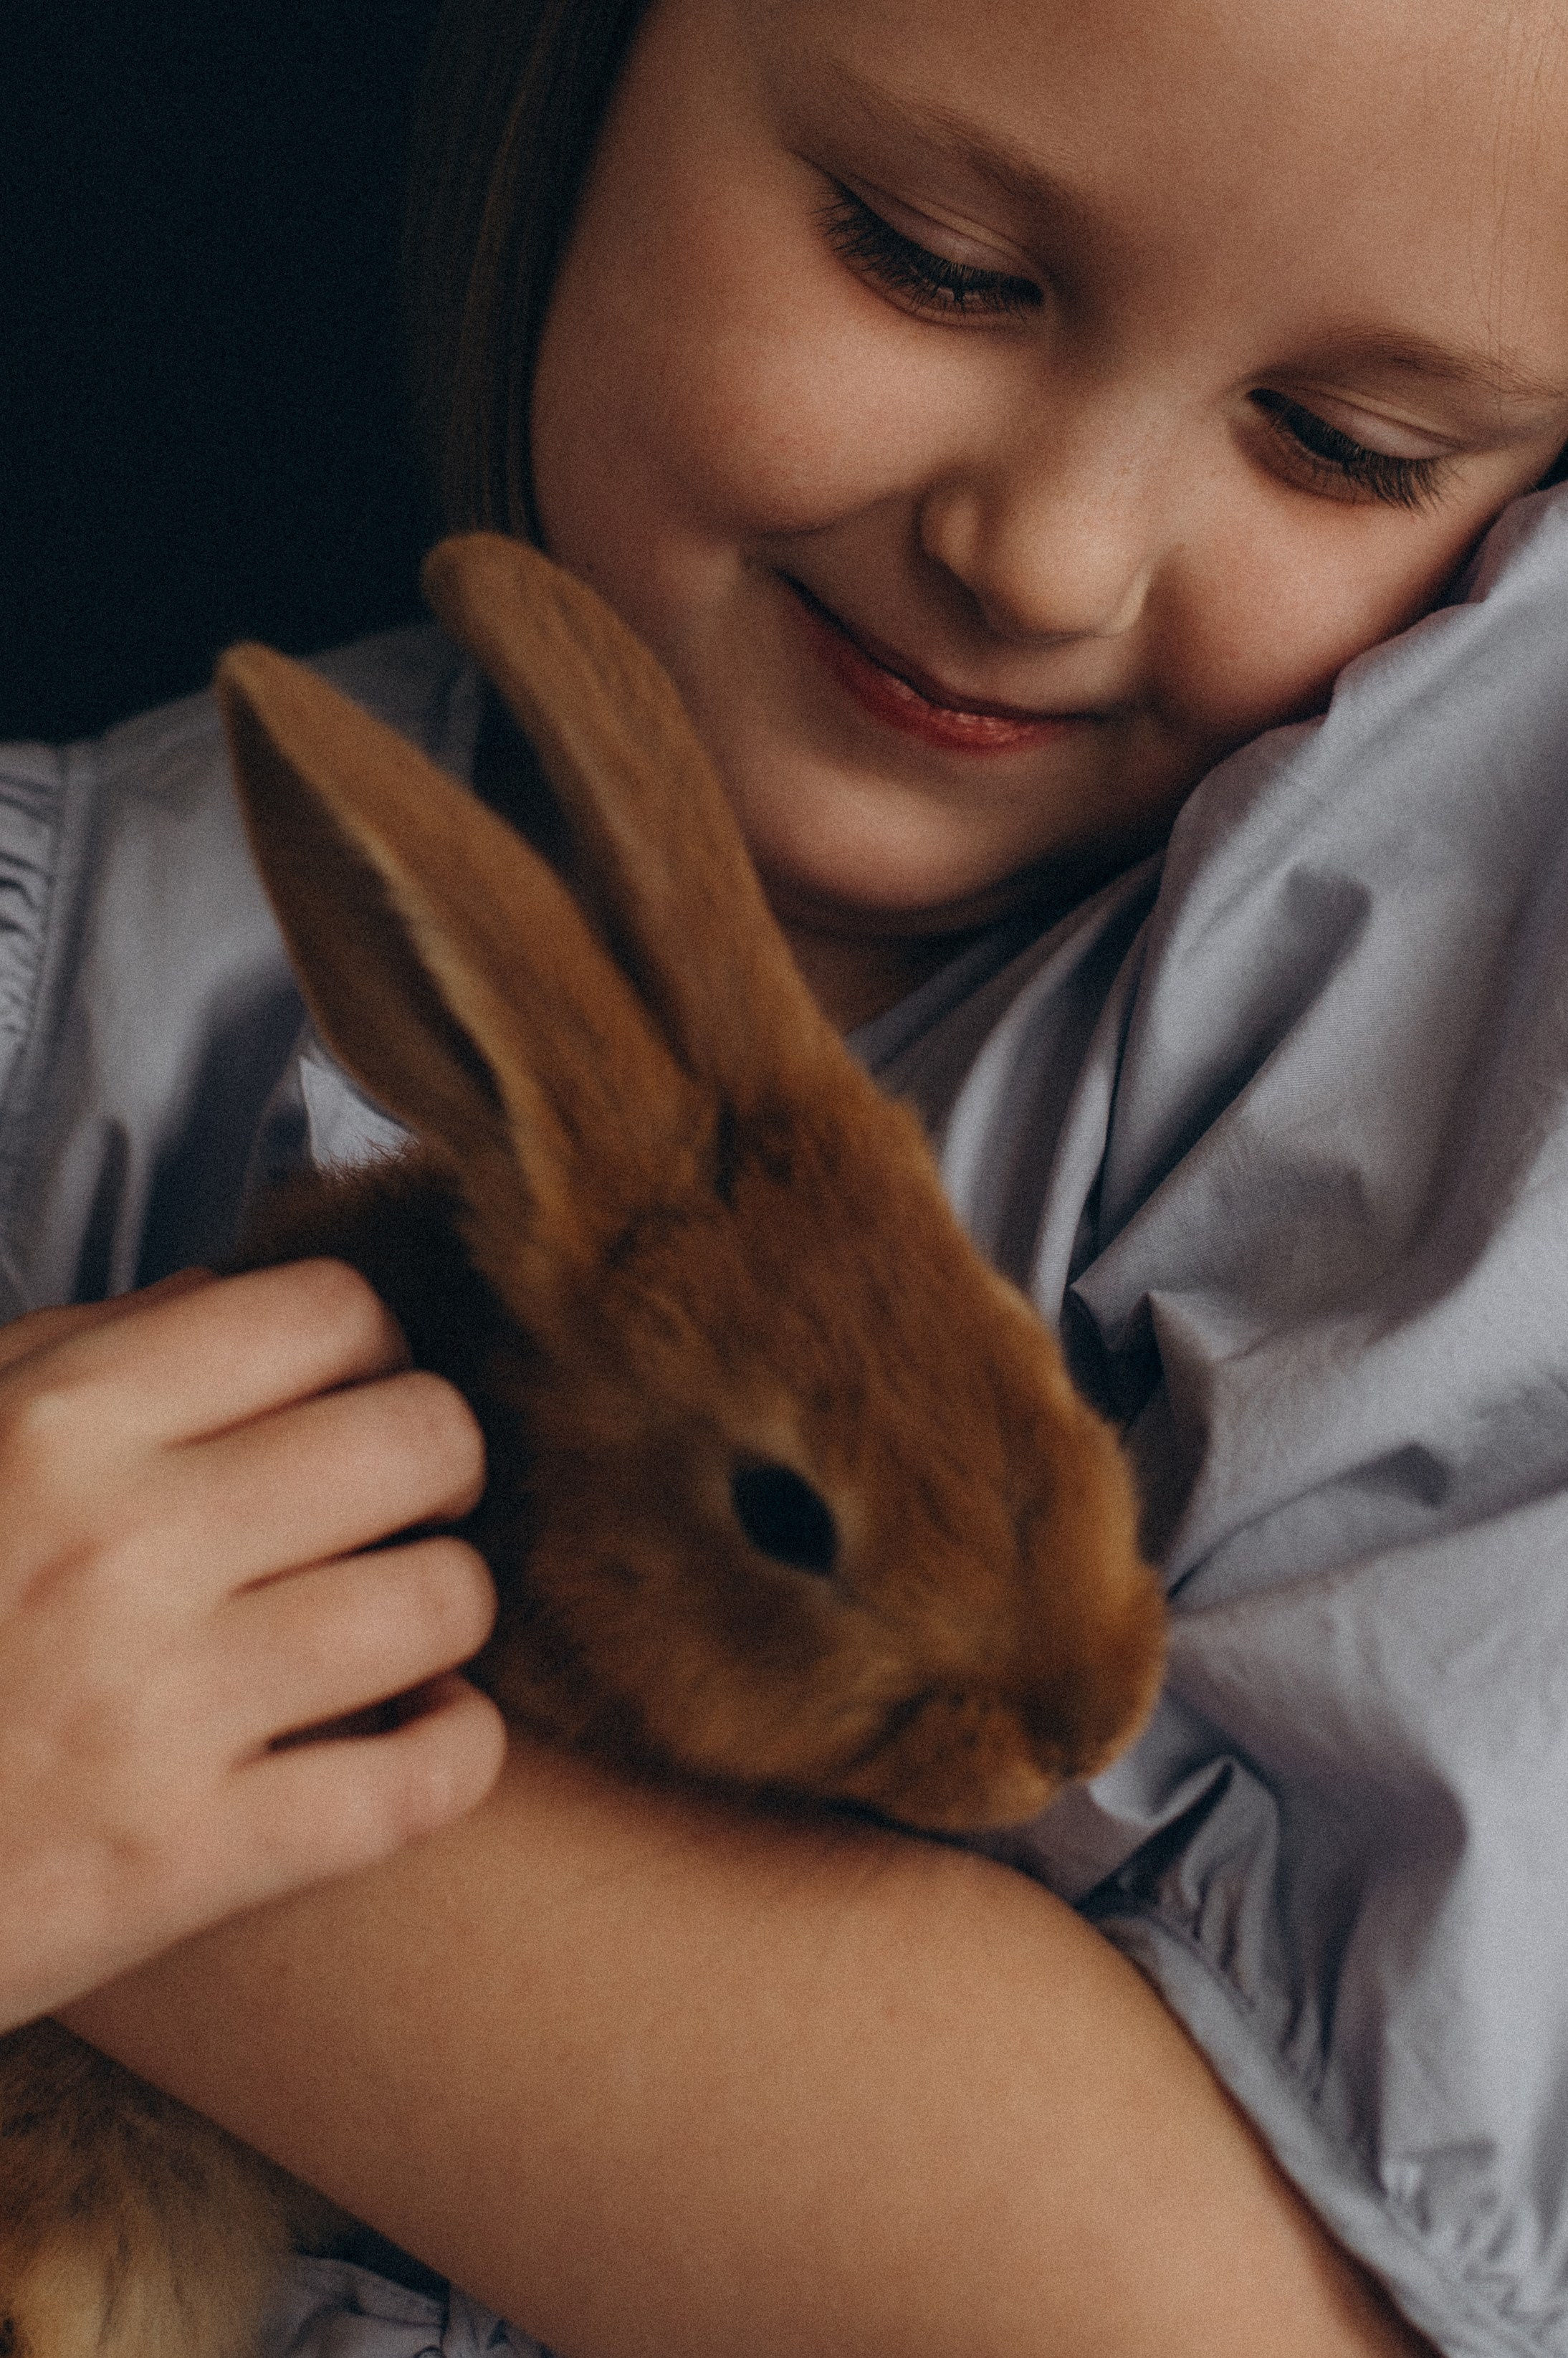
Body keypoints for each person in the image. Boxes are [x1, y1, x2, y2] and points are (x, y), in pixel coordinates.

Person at [8, 0, 1568, 2349]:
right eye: (928, 258)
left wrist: (143, 1794)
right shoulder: (88, 999)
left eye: (1344, 444)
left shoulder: (1427, 1047)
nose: (1045, 555)